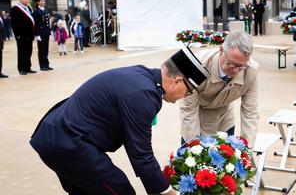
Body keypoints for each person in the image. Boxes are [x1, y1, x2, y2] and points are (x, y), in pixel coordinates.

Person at [29, 45, 210, 195]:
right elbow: (141, 154)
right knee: (120, 191)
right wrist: (166, 191)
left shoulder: (142, 76)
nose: (184, 97)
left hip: (55, 135)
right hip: (69, 142)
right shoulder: (144, 94)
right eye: (188, 91)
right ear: (176, 81)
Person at [180, 31, 259, 146]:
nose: (236, 71)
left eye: (241, 66)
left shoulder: (251, 71)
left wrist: (246, 149)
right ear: (221, 50)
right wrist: (193, 148)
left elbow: (250, 112)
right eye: (231, 64)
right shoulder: (196, 64)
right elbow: (188, 109)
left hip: (224, 118)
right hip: (196, 116)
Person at [11, 0, 37, 75]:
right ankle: (22, 69)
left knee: (29, 51)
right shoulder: (15, 9)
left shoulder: (28, 8)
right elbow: (14, 23)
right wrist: (17, 35)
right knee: (22, 52)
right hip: (21, 35)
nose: (27, 0)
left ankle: (28, 67)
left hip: (29, 35)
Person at [33, 0, 53, 71]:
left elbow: (47, 22)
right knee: (41, 50)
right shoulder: (36, 11)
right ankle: (42, 66)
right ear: (38, 2)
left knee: (46, 50)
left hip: (46, 32)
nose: (43, 2)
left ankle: (47, 64)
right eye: (41, 1)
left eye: (44, 1)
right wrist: (37, 34)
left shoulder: (46, 9)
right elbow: (36, 24)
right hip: (40, 33)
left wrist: (49, 32)